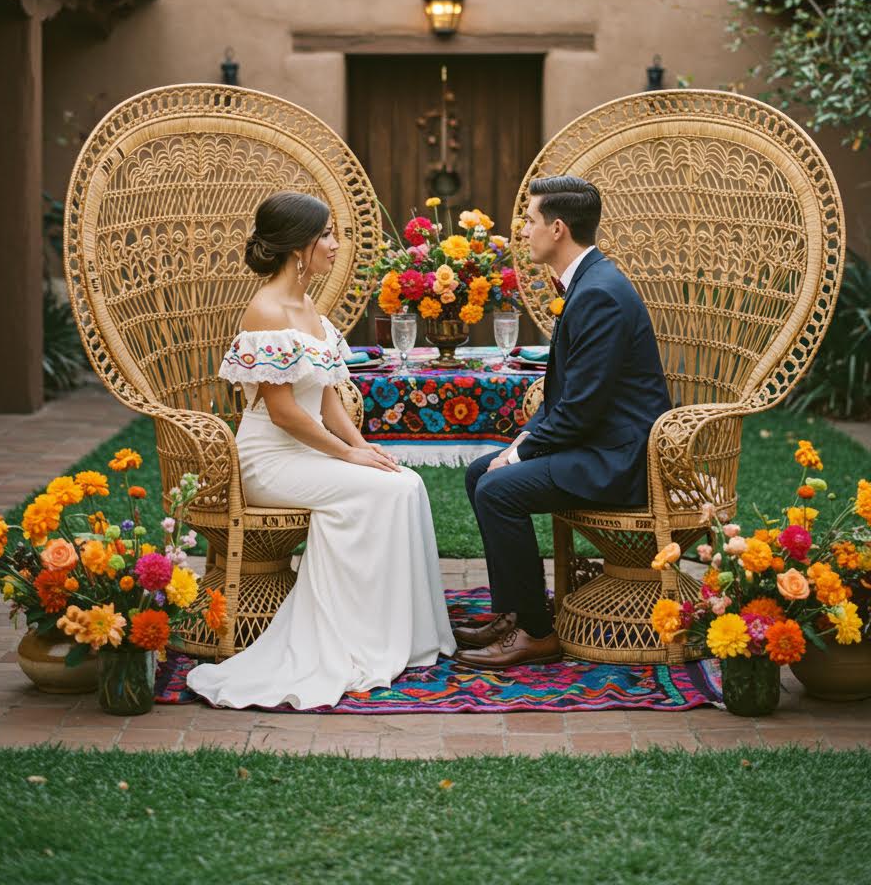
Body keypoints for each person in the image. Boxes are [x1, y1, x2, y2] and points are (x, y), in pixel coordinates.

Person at [186, 191, 454, 710]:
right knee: (376, 494)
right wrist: (345, 457)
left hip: (309, 452)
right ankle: (349, 636)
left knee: (405, 483)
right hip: (270, 458)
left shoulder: (308, 306)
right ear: (297, 249)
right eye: (326, 235)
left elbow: (329, 399)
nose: (335, 245)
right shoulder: (265, 311)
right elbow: (284, 412)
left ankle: (405, 635)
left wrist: (363, 446)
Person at [455, 175, 671, 669]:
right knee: (480, 474)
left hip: (618, 458)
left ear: (557, 228)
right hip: (593, 440)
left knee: (497, 489)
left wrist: (524, 451)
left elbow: (584, 407)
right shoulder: (588, 282)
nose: (522, 232)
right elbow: (571, 399)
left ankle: (535, 633)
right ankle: (514, 612)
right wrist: (525, 440)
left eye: (529, 221)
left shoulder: (600, 293)